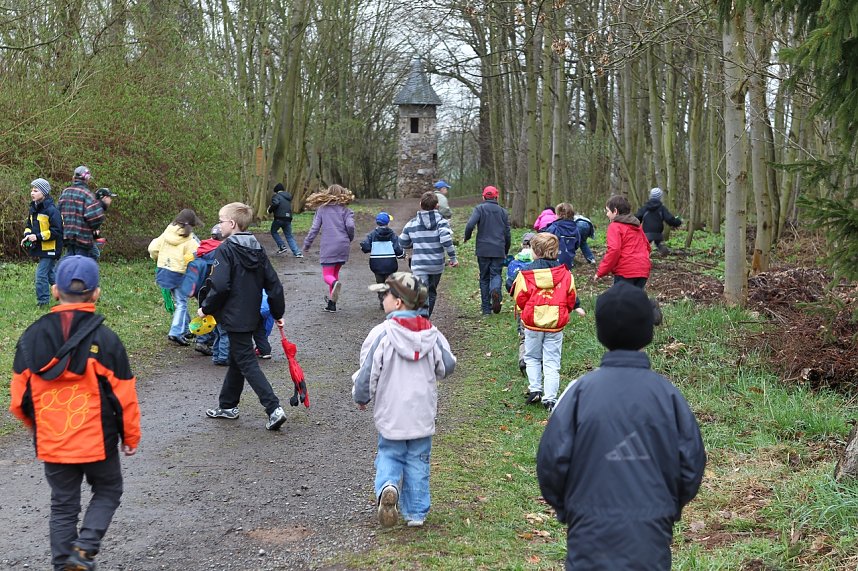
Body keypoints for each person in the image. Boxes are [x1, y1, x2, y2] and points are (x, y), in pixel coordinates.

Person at [536, 282, 706, 570]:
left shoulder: (579, 393)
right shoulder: (667, 395)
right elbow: (691, 461)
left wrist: (569, 509)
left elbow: (551, 460)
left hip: (588, 533)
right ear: (648, 330)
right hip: (651, 533)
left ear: (601, 331)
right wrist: (668, 507)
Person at [9, 255, 141, 571]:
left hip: (53, 442)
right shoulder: (106, 340)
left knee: (63, 505)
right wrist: (130, 436)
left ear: (55, 290)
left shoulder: (30, 337)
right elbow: (124, 396)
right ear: (96, 294)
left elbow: (18, 400)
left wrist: (37, 427)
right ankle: (84, 550)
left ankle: (62, 566)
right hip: (98, 443)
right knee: (108, 489)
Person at [352, 272, 457, 528]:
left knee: (390, 453)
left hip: (392, 412)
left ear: (398, 302)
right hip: (422, 412)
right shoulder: (432, 334)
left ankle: (388, 487)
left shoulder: (382, 334)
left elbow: (368, 372)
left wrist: (361, 396)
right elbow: (447, 366)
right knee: (418, 460)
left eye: (385, 294)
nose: (382, 298)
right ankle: (416, 514)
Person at [200, 202, 288, 431]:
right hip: (252, 314)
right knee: (238, 358)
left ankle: (274, 408)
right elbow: (274, 284)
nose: (219, 225)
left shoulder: (225, 250)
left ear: (231, 224)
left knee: (246, 361)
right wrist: (277, 312)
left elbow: (220, 285)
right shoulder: (257, 249)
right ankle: (227, 405)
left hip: (233, 316)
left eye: (221, 220)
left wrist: (206, 308)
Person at [511, 233, 585, 412]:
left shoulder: (526, 273)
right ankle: (550, 399)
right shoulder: (565, 273)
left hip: (532, 322)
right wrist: (566, 309)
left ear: (535, 251)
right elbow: (571, 297)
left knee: (532, 356)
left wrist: (527, 310)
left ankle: (535, 389)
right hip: (555, 324)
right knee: (552, 361)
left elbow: (519, 298)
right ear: (555, 251)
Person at [398, 192, 458, 317]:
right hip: (436, 265)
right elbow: (446, 241)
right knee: (431, 291)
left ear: (420, 204)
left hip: (419, 265)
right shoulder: (442, 222)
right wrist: (453, 258)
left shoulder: (412, 223)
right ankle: (425, 318)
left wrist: (414, 243)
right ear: (437, 206)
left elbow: (403, 242)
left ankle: (422, 317)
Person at [148, 209, 202, 346]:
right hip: (178, 273)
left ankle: (186, 329)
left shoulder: (166, 233)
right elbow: (197, 254)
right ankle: (176, 332)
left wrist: (158, 258)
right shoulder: (189, 239)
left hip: (164, 271)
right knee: (182, 303)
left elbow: (152, 248)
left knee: (179, 301)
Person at [302, 184, 355, 313]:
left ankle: (334, 285)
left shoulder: (322, 210)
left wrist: (307, 244)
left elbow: (314, 229)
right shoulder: (346, 210)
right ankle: (332, 304)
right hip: (343, 245)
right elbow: (350, 226)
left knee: (328, 276)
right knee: (334, 274)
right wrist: (349, 238)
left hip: (329, 246)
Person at [463, 185, 511, 315]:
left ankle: (486, 309)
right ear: (496, 197)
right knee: (496, 274)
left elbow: (470, 225)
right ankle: (495, 290)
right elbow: (507, 233)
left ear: (483, 197)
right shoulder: (503, 212)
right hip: (498, 249)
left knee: (484, 277)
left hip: (483, 249)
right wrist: (506, 249)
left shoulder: (479, 209)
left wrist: (467, 237)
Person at [594, 195, 651, 288]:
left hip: (626, 271)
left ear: (615, 211)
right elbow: (647, 247)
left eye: (608, 211)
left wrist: (601, 271)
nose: (607, 214)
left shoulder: (615, 226)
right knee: (635, 297)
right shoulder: (637, 226)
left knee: (620, 297)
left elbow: (614, 250)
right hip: (643, 270)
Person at [22, 178, 63, 308]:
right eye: (32, 190)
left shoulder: (52, 210)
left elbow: (56, 231)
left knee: (40, 275)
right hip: (41, 247)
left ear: (44, 193)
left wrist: (37, 237)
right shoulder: (33, 208)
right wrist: (27, 236)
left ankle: (43, 303)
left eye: (36, 190)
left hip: (51, 248)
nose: (32, 193)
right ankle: (66, 295)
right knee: (50, 274)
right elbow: (28, 226)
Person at [505, 232, 535, 376]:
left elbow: (509, 284)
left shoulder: (515, 261)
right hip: (538, 304)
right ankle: (536, 361)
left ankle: (523, 358)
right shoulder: (538, 262)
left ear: (522, 244)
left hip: (522, 303)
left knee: (524, 334)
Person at [58, 166, 104, 259]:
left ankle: (61, 268)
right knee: (83, 261)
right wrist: (93, 229)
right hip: (83, 237)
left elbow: (58, 213)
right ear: (87, 179)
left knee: (70, 259)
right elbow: (96, 217)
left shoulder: (65, 192)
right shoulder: (87, 195)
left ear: (74, 178)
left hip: (67, 235)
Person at [361, 211, 404, 309]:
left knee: (380, 282)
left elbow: (365, 247)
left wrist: (365, 248)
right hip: (390, 264)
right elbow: (397, 249)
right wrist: (402, 254)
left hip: (376, 263)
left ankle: (382, 301)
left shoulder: (372, 235)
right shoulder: (392, 235)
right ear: (388, 222)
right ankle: (389, 300)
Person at [636, 187, 683, 256]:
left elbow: (637, 218)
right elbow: (669, 219)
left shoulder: (645, 208)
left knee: (644, 245)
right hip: (658, 233)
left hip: (647, 233)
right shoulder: (662, 208)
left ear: (650, 196)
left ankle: (642, 254)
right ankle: (662, 250)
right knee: (658, 243)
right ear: (660, 197)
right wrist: (678, 222)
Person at [267, 182, 303, 257]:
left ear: (276, 191)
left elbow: (276, 203)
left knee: (273, 231)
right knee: (289, 236)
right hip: (288, 218)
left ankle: (282, 246)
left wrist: (269, 210)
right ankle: (297, 253)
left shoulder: (276, 196)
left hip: (279, 218)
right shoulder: (288, 197)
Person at [545, 203, 582, 271]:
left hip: (553, 261)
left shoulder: (553, 228)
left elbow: (545, 243)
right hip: (568, 261)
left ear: (559, 215)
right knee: (566, 275)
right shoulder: (575, 228)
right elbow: (577, 243)